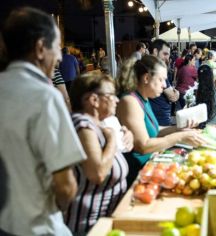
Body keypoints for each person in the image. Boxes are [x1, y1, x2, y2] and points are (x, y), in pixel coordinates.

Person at [0, 7, 86, 235]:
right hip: (39, 227)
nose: (59, 57)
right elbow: (66, 186)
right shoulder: (45, 96)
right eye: (57, 48)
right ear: (40, 48)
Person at [116, 55, 205, 186]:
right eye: (161, 79)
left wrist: (180, 128)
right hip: (136, 174)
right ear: (146, 78)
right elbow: (143, 145)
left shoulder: (143, 99)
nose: (164, 85)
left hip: (148, 168)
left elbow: (154, 130)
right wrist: (179, 136)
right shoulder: (130, 101)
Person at [65, 72, 131, 234]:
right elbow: (98, 173)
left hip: (103, 222)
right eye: (111, 95)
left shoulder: (97, 123)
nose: (116, 100)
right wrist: (112, 140)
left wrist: (124, 136)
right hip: (88, 225)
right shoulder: (82, 124)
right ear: (94, 100)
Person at [149, 39, 179, 126]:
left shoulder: (154, 66)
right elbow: (172, 96)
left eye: (168, 54)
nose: (167, 57)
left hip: (158, 118)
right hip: (159, 119)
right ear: (155, 51)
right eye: (165, 54)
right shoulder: (155, 68)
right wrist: (176, 93)